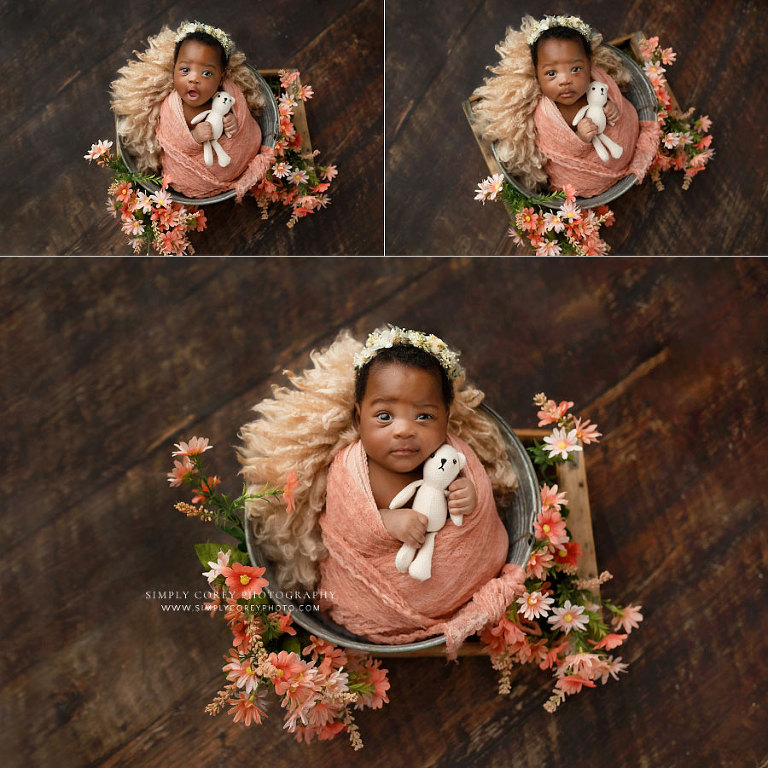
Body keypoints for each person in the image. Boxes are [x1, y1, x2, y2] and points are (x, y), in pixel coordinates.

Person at [239, 328, 525, 658]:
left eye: (424, 416)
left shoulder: (452, 457)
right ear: (359, 417)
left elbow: (477, 508)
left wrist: (468, 497)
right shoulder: (351, 471)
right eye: (385, 416)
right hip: (375, 603)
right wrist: (386, 522)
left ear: (447, 416)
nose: (404, 429)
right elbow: (346, 523)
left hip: (466, 578)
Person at [472, 14, 661, 198]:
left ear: (589, 65)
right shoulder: (545, 114)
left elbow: (611, 96)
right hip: (585, 174)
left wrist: (612, 107)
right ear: (537, 75)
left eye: (576, 69)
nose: (565, 80)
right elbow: (556, 147)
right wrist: (579, 139)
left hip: (625, 142)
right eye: (551, 73)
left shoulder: (598, 81)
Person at [111, 20, 274, 200]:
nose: (194, 79)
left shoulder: (227, 92)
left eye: (207, 73)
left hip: (241, 154)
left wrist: (232, 122)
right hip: (195, 176)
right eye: (185, 70)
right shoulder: (172, 109)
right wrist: (194, 137)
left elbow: (241, 117)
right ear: (173, 71)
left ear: (221, 78)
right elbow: (171, 140)